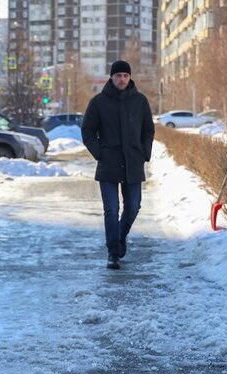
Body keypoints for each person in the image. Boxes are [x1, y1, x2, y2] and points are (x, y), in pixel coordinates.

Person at [81, 60, 155, 270]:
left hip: (133, 162)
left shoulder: (140, 101)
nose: (121, 79)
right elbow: (87, 131)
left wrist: (144, 152)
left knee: (133, 207)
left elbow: (148, 130)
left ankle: (119, 237)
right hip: (109, 164)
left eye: (125, 75)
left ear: (129, 77)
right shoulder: (98, 102)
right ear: (111, 78)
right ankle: (113, 252)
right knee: (111, 210)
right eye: (118, 75)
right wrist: (99, 153)